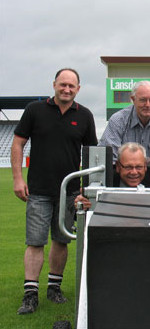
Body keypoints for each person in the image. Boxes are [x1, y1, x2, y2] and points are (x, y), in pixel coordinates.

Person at [11, 68, 97, 315]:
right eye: (62, 84)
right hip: (37, 190)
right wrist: (18, 179)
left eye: (71, 85)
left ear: (78, 89)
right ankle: (30, 294)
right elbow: (18, 143)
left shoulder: (85, 116)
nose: (66, 89)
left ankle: (54, 288)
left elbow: (90, 152)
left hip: (69, 192)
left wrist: (86, 187)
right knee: (35, 241)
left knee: (61, 241)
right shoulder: (34, 110)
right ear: (54, 85)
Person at [98, 80, 150, 162]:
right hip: (126, 175)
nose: (148, 105)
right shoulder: (118, 120)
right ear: (133, 99)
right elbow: (108, 158)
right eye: (143, 100)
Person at [74, 142, 150, 210]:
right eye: (128, 167)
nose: (134, 172)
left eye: (139, 167)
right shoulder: (105, 179)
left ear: (145, 166)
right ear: (118, 167)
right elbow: (75, 202)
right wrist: (79, 203)